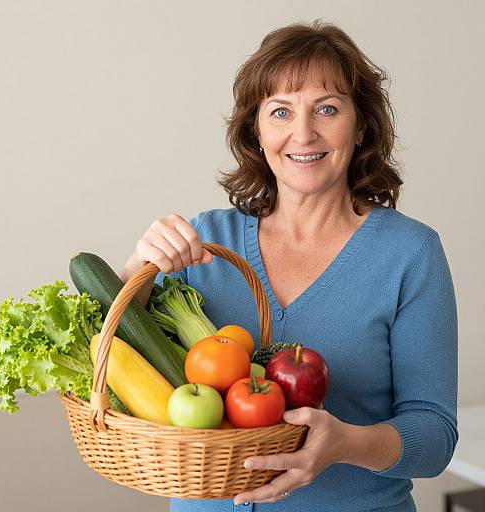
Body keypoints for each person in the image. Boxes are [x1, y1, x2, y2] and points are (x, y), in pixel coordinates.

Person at [119, 20, 458, 512]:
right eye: (281, 111)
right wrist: (134, 271)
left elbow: (434, 437)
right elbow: (116, 371)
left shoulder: (411, 254)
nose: (303, 133)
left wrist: (345, 443)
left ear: (360, 126)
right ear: (256, 131)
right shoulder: (204, 242)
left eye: (327, 108)